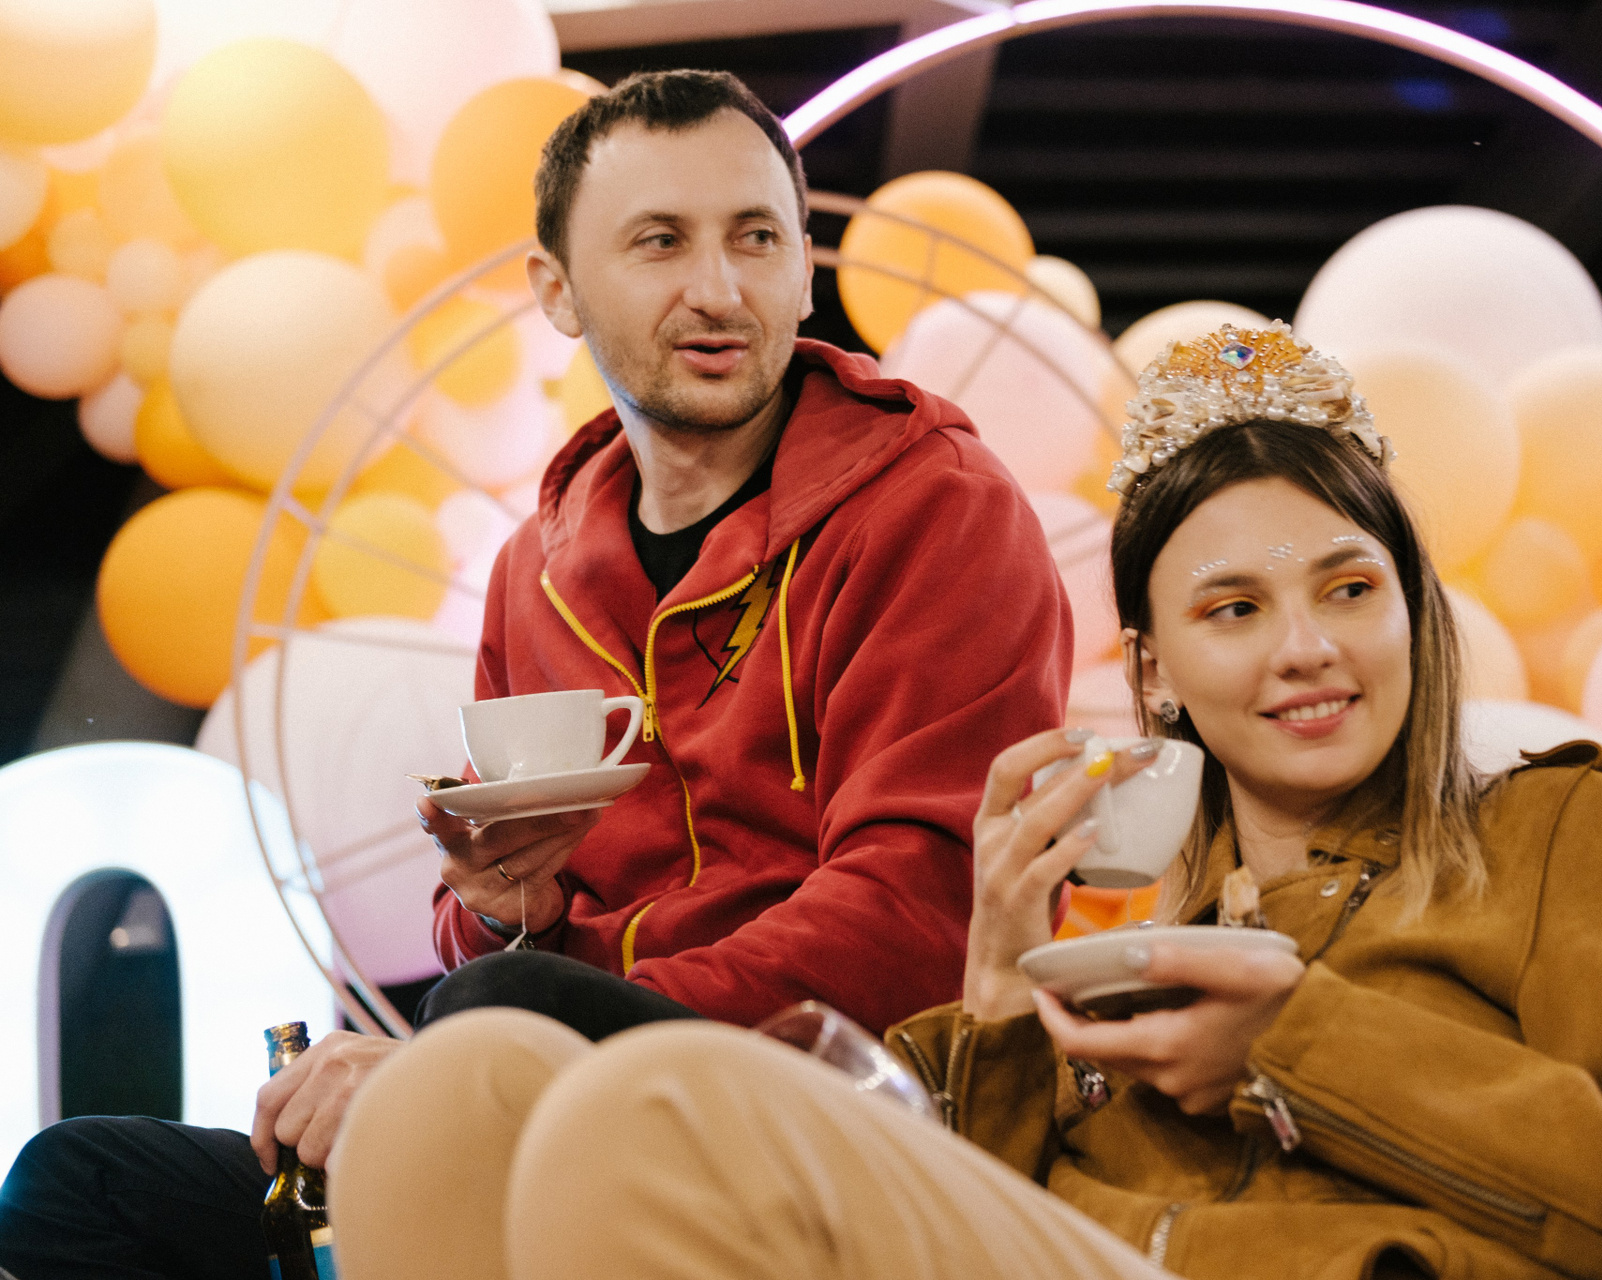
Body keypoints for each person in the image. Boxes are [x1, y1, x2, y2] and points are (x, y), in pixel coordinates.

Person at [320, 319, 1602, 1280]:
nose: (1307, 647)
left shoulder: (1565, 835)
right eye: (1234, 609)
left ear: (1413, 609)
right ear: (1154, 671)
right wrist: (993, 998)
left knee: (658, 1106)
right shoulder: (1114, 901)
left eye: (1351, 588)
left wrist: (1294, 1043)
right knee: (451, 1097)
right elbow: (967, 1201)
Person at [0, 70, 1069, 1279]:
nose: (720, 289)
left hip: (822, 1100)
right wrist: (508, 904)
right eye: (659, 241)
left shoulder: (936, 509)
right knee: (72, 1185)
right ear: (555, 290)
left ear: (802, 271)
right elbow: (489, 928)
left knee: (484, 1017)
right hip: (546, 1085)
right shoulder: (539, 565)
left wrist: (484, 1042)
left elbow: (919, 914)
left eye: (756, 238)